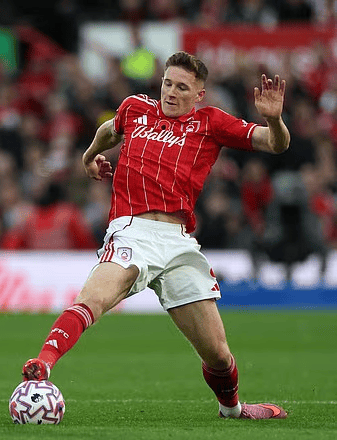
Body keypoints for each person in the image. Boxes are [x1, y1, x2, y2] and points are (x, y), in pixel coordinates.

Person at [22, 51, 290, 420]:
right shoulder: (135, 108)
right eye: (168, 83)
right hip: (132, 230)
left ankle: (232, 410)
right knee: (94, 298)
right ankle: (43, 364)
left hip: (178, 241)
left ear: (199, 95)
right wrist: (89, 156)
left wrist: (274, 120)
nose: (171, 92)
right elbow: (108, 131)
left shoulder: (211, 122)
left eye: (182, 87)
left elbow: (275, 144)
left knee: (218, 354)